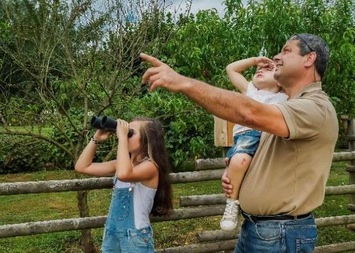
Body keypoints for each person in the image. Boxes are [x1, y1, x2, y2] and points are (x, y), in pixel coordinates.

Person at [140, 33, 338, 252]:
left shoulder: (314, 107)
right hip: (260, 229)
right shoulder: (288, 107)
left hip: (281, 233)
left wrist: (183, 82)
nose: (276, 56)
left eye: (286, 50)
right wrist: (240, 175)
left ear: (309, 59)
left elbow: (247, 112)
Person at [75, 117, 173, 253]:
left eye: (130, 133)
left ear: (147, 139)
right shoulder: (121, 165)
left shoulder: (150, 167)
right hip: (111, 233)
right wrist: (96, 138)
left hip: (135, 236)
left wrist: (122, 138)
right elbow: (82, 167)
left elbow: (124, 174)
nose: (125, 134)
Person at [220, 57, 288, 231]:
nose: (261, 69)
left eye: (269, 69)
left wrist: (281, 68)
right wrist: (255, 60)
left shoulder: (284, 95)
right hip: (246, 136)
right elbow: (231, 68)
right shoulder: (250, 91)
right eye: (259, 69)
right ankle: (232, 204)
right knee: (239, 161)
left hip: (270, 139)